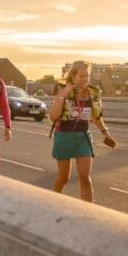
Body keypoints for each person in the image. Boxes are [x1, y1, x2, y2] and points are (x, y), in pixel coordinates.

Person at [48, 61, 117, 203]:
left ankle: (88, 212)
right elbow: (53, 116)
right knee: (63, 178)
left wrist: (105, 133)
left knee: (85, 177)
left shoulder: (93, 93)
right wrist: (62, 95)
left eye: (87, 76)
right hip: (64, 136)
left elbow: (96, 116)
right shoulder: (63, 91)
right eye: (81, 76)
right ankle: (51, 204)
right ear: (73, 77)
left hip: (83, 137)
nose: (84, 79)